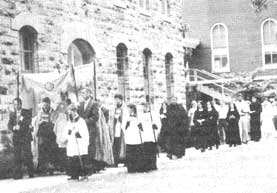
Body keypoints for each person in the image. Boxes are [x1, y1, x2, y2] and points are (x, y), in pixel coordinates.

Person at [78, 88, 105, 173]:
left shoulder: (94, 104)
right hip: (82, 129)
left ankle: (91, 167)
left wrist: (85, 121)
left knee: (90, 147)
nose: (82, 94)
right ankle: (84, 167)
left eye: (84, 93)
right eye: (81, 93)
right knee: (83, 147)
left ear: (89, 93)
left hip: (90, 129)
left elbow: (95, 117)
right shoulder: (81, 104)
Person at [8, 98, 34, 179]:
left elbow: (28, 123)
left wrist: (21, 127)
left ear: (21, 104)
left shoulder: (26, 112)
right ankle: (18, 174)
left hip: (25, 136)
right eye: (14, 104)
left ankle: (31, 172)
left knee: (28, 155)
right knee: (17, 156)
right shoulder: (12, 114)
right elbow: (9, 124)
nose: (16, 106)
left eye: (17, 104)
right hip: (16, 138)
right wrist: (13, 127)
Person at [65, 103, 89, 180]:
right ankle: (73, 175)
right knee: (72, 158)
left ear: (75, 111)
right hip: (71, 141)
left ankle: (83, 174)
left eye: (71, 111)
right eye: (69, 112)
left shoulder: (81, 121)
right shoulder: (69, 121)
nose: (70, 113)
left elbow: (84, 132)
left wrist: (76, 131)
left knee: (79, 157)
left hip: (79, 142)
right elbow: (67, 131)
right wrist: (69, 131)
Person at [36, 97, 57, 175]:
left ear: (49, 104)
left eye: (47, 105)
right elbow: (37, 122)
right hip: (42, 135)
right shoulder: (40, 113)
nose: (45, 107)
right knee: (42, 151)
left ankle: (51, 168)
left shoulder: (53, 112)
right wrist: (41, 122)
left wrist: (49, 122)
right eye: (44, 105)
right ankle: (42, 168)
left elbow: (55, 122)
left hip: (51, 134)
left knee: (51, 150)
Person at [53, 91, 71, 172]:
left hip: (67, 125)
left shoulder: (70, 104)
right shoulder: (59, 105)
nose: (63, 97)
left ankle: (69, 166)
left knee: (68, 147)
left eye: (65, 96)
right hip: (60, 126)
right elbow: (55, 115)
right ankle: (63, 166)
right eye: (62, 96)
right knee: (61, 148)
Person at [124, 104, 144, 173]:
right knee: (130, 152)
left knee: (137, 151)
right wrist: (127, 122)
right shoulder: (126, 116)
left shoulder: (138, 116)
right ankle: (130, 167)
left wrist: (139, 124)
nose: (128, 110)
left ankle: (138, 167)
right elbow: (124, 126)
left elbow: (141, 126)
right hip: (130, 135)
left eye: (129, 109)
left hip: (136, 136)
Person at [140, 103, 159, 172]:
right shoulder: (141, 115)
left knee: (152, 150)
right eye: (143, 107)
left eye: (146, 107)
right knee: (146, 150)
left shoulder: (153, 114)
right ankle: (147, 165)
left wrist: (155, 125)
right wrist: (140, 127)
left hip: (151, 135)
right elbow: (140, 123)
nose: (144, 108)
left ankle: (153, 165)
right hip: (145, 135)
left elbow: (157, 123)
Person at [111, 94, 127, 167]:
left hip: (122, 128)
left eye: (117, 99)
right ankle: (116, 161)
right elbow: (111, 117)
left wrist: (120, 118)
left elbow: (126, 118)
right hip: (116, 128)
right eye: (115, 99)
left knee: (123, 144)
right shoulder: (114, 108)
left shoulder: (125, 108)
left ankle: (125, 160)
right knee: (116, 144)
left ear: (121, 100)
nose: (116, 101)